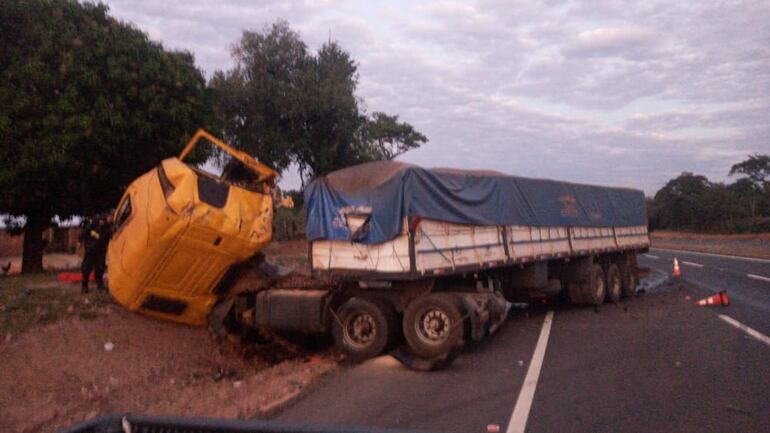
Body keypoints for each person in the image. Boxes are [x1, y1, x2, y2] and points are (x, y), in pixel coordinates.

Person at [79, 212, 113, 293]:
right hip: (90, 248)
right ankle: (84, 287)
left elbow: (112, 237)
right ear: (108, 216)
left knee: (100, 268)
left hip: (101, 251)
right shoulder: (97, 221)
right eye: (111, 216)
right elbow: (87, 230)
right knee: (86, 268)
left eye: (113, 217)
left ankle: (100, 286)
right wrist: (79, 240)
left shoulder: (110, 227)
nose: (112, 219)